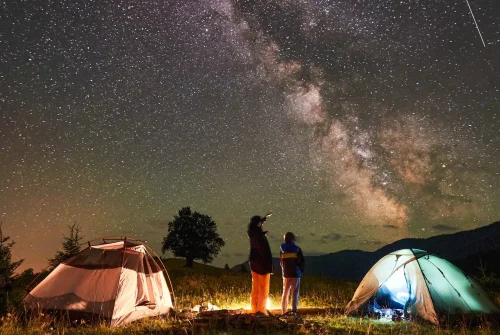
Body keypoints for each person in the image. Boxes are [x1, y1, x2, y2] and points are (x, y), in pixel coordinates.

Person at [247, 215, 273, 314]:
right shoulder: (258, 235)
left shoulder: (252, 232)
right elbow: (263, 250)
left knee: (255, 288)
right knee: (263, 288)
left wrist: (261, 223)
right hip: (262, 264)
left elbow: (257, 231)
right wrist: (269, 265)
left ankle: (254, 309)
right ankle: (261, 311)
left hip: (254, 263)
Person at [280, 232, 305, 315]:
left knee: (285, 293)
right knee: (295, 294)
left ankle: (284, 311)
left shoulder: (282, 248)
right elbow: (301, 261)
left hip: (286, 274)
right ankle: (294, 313)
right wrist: (301, 271)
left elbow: (281, 262)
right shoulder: (297, 249)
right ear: (293, 239)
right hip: (295, 274)